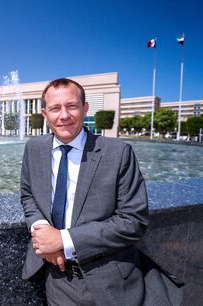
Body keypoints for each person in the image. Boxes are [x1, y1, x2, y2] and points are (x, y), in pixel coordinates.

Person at [20, 78, 183, 305]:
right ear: (44, 114)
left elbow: (133, 220)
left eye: (72, 106)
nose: (64, 115)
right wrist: (41, 230)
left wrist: (63, 240)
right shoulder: (33, 148)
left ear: (85, 108)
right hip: (56, 279)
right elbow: (28, 195)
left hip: (110, 281)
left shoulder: (118, 153)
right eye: (55, 108)